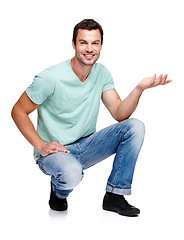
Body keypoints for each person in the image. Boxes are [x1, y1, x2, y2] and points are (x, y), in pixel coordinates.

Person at [11, 19, 172, 217]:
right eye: (83, 42)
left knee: (135, 127)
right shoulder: (50, 78)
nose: (89, 49)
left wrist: (139, 88)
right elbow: (18, 111)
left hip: (87, 145)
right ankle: (59, 191)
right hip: (55, 152)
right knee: (71, 173)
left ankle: (114, 195)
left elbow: (120, 113)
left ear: (101, 46)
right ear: (73, 44)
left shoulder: (102, 73)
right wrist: (41, 146)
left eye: (95, 43)